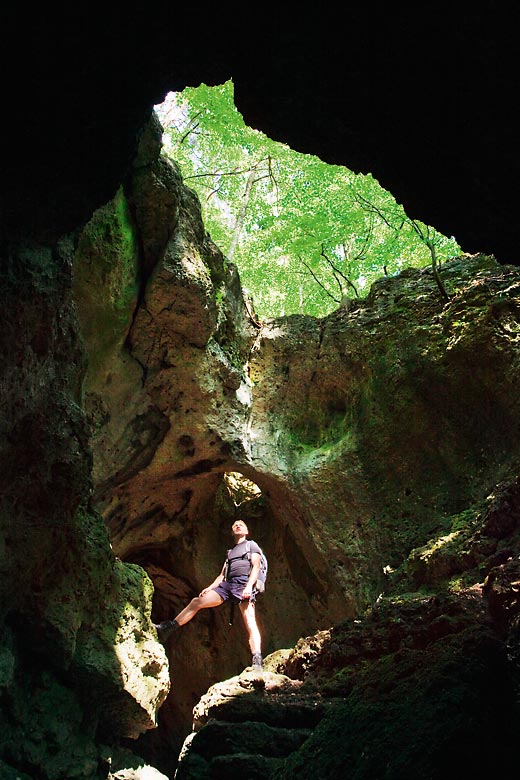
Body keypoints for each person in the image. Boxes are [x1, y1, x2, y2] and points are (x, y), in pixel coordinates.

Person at [154, 519, 264, 670]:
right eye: (235, 525)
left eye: (241, 525)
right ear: (232, 532)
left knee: (250, 621)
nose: (238, 525)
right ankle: (169, 627)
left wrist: (249, 587)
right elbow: (222, 575)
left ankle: (257, 659)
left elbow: (256, 567)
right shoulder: (230, 553)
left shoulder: (251, 545)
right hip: (227, 585)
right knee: (196, 602)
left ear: (246, 531)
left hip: (243, 584)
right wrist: (210, 588)